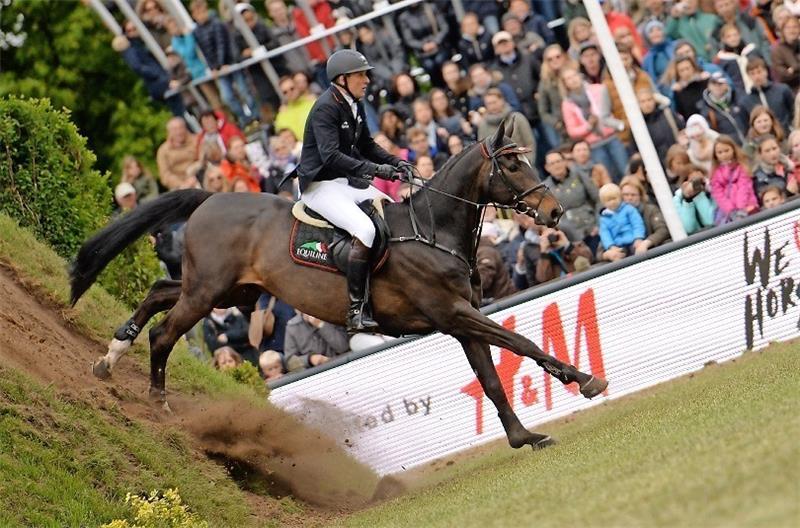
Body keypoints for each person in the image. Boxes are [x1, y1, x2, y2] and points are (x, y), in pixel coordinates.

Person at [295, 50, 409, 333]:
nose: (367, 80)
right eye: (360, 75)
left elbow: (366, 144)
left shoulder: (354, 102)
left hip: (344, 182)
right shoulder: (325, 107)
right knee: (365, 230)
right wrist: (376, 170)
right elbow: (331, 156)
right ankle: (357, 309)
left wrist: (395, 162)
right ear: (342, 79)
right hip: (320, 186)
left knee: (392, 209)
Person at [190, 0, 257, 128]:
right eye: (197, 13)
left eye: (202, 11)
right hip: (218, 68)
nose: (201, 15)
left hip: (230, 62)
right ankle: (245, 119)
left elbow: (222, 45)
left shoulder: (217, 24)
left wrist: (222, 64)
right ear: (194, 15)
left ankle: (255, 116)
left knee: (244, 90)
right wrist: (213, 68)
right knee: (227, 97)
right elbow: (204, 52)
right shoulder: (196, 32)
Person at [560, 67, 629, 182]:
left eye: (574, 76)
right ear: (565, 84)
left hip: (612, 137)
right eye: (568, 79)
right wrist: (588, 126)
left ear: (580, 75)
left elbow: (614, 109)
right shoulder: (567, 104)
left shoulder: (599, 89)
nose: (573, 80)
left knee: (625, 169)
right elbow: (572, 131)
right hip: (594, 145)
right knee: (608, 175)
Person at [475, 88, 536, 164]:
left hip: (522, 163)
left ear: (502, 101)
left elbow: (530, 143)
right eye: (489, 104)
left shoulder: (517, 118)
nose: (493, 106)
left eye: (494, 102)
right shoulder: (483, 126)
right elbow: (483, 151)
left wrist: (528, 162)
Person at [709, 135, 759, 224]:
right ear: (715, 155)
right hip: (729, 212)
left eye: (726, 150)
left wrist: (740, 208)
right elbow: (718, 194)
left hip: (748, 206)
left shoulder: (742, 166)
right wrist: (731, 210)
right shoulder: (715, 173)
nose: (724, 154)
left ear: (733, 150)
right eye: (720, 152)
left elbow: (744, 188)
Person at [740, 58, 795, 131]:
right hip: (763, 137)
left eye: (759, 72)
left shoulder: (782, 90)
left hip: (786, 132)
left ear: (766, 71)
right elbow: (746, 126)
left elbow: (793, 111)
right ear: (748, 76)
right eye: (752, 73)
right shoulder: (746, 101)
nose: (756, 76)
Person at [284, 311, 350, 371]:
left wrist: (321, 325)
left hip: (340, 365)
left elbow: (344, 347)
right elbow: (290, 363)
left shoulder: (331, 316)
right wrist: (309, 359)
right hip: (314, 372)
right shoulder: (292, 327)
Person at [620, 176, 670, 254]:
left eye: (633, 195)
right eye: (626, 195)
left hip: (650, 252)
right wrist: (607, 254)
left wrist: (646, 243)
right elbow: (602, 246)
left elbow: (663, 230)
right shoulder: (614, 215)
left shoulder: (650, 210)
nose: (629, 198)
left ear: (640, 195)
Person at [637, 88, 686, 167]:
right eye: (643, 101)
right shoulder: (638, 127)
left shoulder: (667, 113)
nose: (647, 104)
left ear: (654, 100)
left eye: (649, 100)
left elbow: (683, 129)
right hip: (660, 166)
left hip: (681, 158)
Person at [597, 183, 646, 261]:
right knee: (617, 257)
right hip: (618, 245)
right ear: (603, 202)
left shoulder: (628, 209)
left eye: (614, 198)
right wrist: (611, 246)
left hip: (633, 241)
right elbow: (605, 234)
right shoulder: (604, 218)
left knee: (639, 253)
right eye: (608, 200)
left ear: (620, 197)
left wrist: (638, 237)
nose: (612, 202)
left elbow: (637, 224)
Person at [673, 165, 717, 234]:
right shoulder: (678, 199)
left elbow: (711, 220)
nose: (695, 184)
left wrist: (699, 195)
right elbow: (689, 228)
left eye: (699, 180)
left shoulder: (714, 191)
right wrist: (687, 199)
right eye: (691, 181)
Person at [156, 117, 198, 190]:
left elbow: (203, 160)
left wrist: (194, 176)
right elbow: (165, 175)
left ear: (185, 128)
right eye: (175, 129)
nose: (179, 132)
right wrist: (182, 184)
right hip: (178, 185)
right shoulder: (163, 150)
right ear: (169, 132)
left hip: (197, 176)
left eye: (181, 128)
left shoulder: (196, 140)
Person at [274, 76, 317, 142]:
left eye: (292, 88)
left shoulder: (312, 101)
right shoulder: (282, 115)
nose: (289, 93)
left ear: (297, 86)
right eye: (285, 92)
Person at [771, 15, 800, 93]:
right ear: (782, 30)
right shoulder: (777, 50)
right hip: (791, 90)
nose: (792, 30)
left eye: (795, 27)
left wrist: (794, 69)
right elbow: (783, 76)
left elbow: (791, 71)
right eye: (788, 27)